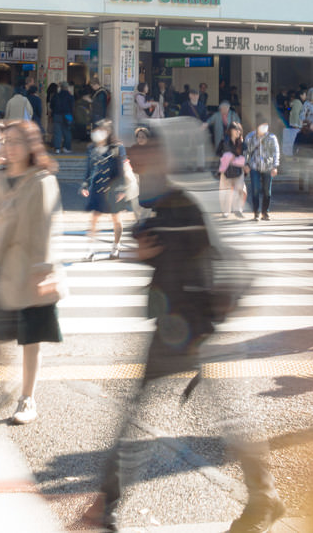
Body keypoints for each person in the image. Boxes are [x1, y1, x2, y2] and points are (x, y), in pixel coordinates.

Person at [76, 125, 284, 533]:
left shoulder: (186, 200)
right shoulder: (157, 197)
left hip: (195, 327)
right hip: (173, 325)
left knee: (207, 416)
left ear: (166, 154)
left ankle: (107, 507)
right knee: (202, 415)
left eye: (145, 147)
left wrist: (207, 306)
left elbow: (214, 259)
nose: (135, 154)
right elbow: (160, 251)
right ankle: (264, 497)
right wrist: (145, 253)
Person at [0, 120, 64, 426]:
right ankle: (11, 380)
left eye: (17, 141)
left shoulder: (42, 180)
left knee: (30, 338)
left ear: (32, 145)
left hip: (32, 268)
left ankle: (27, 397)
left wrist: (46, 269)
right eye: (5, 141)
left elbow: (49, 228)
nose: (9, 147)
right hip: (1, 265)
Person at [80, 119, 126, 258]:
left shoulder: (117, 148)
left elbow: (121, 170)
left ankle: (116, 247)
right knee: (94, 219)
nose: (99, 133)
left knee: (116, 219)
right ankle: (90, 249)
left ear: (108, 132)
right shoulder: (91, 149)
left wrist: (121, 189)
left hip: (113, 188)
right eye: (97, 130)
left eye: (102, 130)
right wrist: (85, 185)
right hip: (97, 188)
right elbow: (89, 169)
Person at [246, 118, 281, 221]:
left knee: (267, 191)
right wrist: (246, 164)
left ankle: (265, 212)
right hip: (254, 166)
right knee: (255, 190)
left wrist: (275, 166)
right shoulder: (250, 137)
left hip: (268, 167)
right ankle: (256, 212)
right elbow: (246, 151)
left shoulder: (271, 137)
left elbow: (276, 152)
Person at [217, 121, 248, 220]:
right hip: (226, 170)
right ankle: (226, 211)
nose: (238, 132)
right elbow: (218, 153)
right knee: (225, 192)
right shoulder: (224, 142)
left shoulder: (242, 144)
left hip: (238, 170)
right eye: (236, 129)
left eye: (239, 130)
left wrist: (245, 165)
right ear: (230, 130)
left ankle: (238, 210)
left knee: (240, 190)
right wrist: (226, 158)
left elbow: (246, 156)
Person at [49, 82, 75, 153]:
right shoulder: (70, 96)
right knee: (67, 132)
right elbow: (72, 107)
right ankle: (66, 148)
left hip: (57, 115)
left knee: (57, 132)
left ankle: (57, 148)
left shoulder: (55, 96)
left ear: (60, 88)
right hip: (67, 115)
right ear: (67, 88)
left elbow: (51, 106)